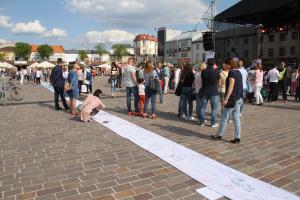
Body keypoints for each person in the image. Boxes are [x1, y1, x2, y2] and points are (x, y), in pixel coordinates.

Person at [211, 58, 243, 144]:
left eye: (225, 64)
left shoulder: (232, 72)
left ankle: (219, 135)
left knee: (225, 117)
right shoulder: (238, 72)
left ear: (230, 64)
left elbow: (231, 85)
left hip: (232, 99)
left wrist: (226, 98)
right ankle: (237, 137)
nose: (223, 65)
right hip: (238, 98)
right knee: (236, 118)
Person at [199, 58, 220, 127]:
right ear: (214, 64)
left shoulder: (203, 71)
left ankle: (202, 122)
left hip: (205, 90)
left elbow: (202, 80)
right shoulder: (216, 71)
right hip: (214, 91)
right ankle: (213, 123)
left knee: (202, 108)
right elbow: (218, 80)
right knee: (214, 108)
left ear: (207, 63)